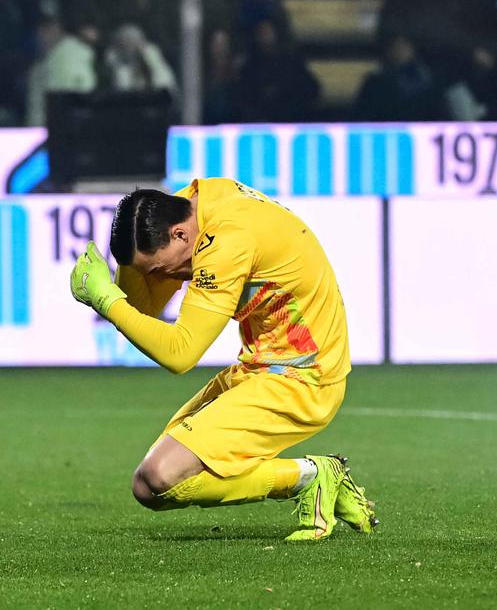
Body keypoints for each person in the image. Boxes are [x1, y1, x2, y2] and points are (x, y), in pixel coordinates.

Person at [67, 179, 379, 541]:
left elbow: (180, 354)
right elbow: (142, 310)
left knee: (163, 475)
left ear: (180, 234)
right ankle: (314, 475)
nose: (164, 279)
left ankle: (311, 475)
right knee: (149, 485)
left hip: (304, 379)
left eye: (160, 269)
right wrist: (126, 270)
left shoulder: (227, 241)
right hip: (261, 369)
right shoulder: (191, 207)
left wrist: (105, 300)